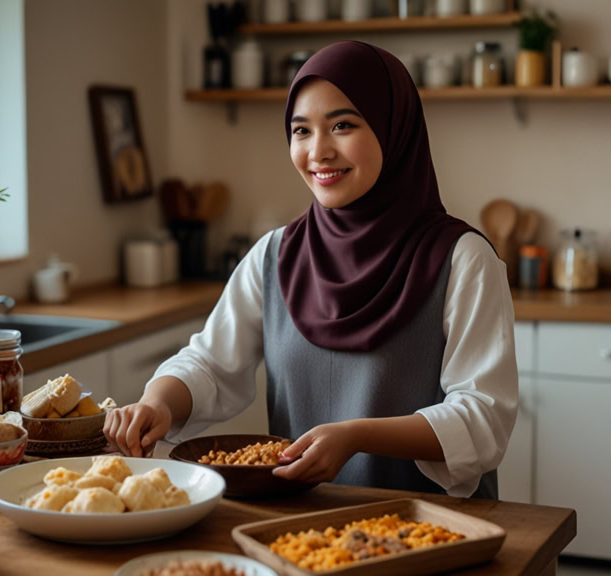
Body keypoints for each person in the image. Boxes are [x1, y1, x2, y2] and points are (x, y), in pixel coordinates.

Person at [104, 41, 517, 499]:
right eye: (301, 131)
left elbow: (483, 418)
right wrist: (156, 402)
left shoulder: (463, 259)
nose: (318, 151)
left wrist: (358, 436)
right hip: (302, 531)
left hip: (433, 533)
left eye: (342, 125)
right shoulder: (275, 254)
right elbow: (210, 362)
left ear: (393, 129)